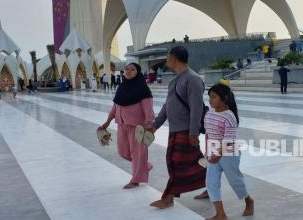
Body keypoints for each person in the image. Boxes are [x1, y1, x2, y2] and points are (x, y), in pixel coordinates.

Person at [149, 46, 207, 209]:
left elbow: (197, 108)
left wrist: (193, 132)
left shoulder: (193, 79)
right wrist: (155, 125)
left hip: (186, 130)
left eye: (168, 57)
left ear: (174, 59)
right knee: (184, 163)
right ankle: (211, 183)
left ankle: (168, 198)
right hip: (175, 130)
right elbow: (168, 105)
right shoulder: (175, 80)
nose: (166, 60)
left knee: (176, 163)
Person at [98, 63, 155, 189]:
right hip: (122, 124)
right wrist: (107, 122)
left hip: (138, 126)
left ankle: (136, 180)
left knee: (138, 153)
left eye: (132, 69)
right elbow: (115, 106)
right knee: (123, 151)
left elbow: (148, 108)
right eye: (126, 69)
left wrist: (148, 124)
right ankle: (144, 166)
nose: (128, 71)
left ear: (138, 72)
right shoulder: (121, 87)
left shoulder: (143, 88)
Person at [205, 84, 254, 219]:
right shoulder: (209, 113)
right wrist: (207, 151)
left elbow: (229, 140)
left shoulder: (229, 117)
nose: (210, 100)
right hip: (213, 152)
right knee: (211, 183)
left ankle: (248, 200)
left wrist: (218, 155)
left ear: (224, 98)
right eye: (209, 97)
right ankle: (221, 214)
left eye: (214, 97)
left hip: (228, 153)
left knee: (235, 181)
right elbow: (208, 134)